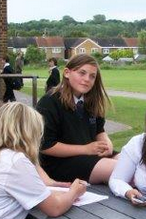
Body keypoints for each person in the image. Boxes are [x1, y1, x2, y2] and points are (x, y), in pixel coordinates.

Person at [36, 54, 118, 184]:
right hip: (59, 164)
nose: (87, 79)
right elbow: (45, 146)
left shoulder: (91, 101)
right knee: (119, 169)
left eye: (92, 76)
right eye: (82, 73)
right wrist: (86, 149)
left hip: (88, 155)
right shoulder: (49, 102)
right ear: (67, 73)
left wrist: (107, 145)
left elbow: (99, 131)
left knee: (127, 162)